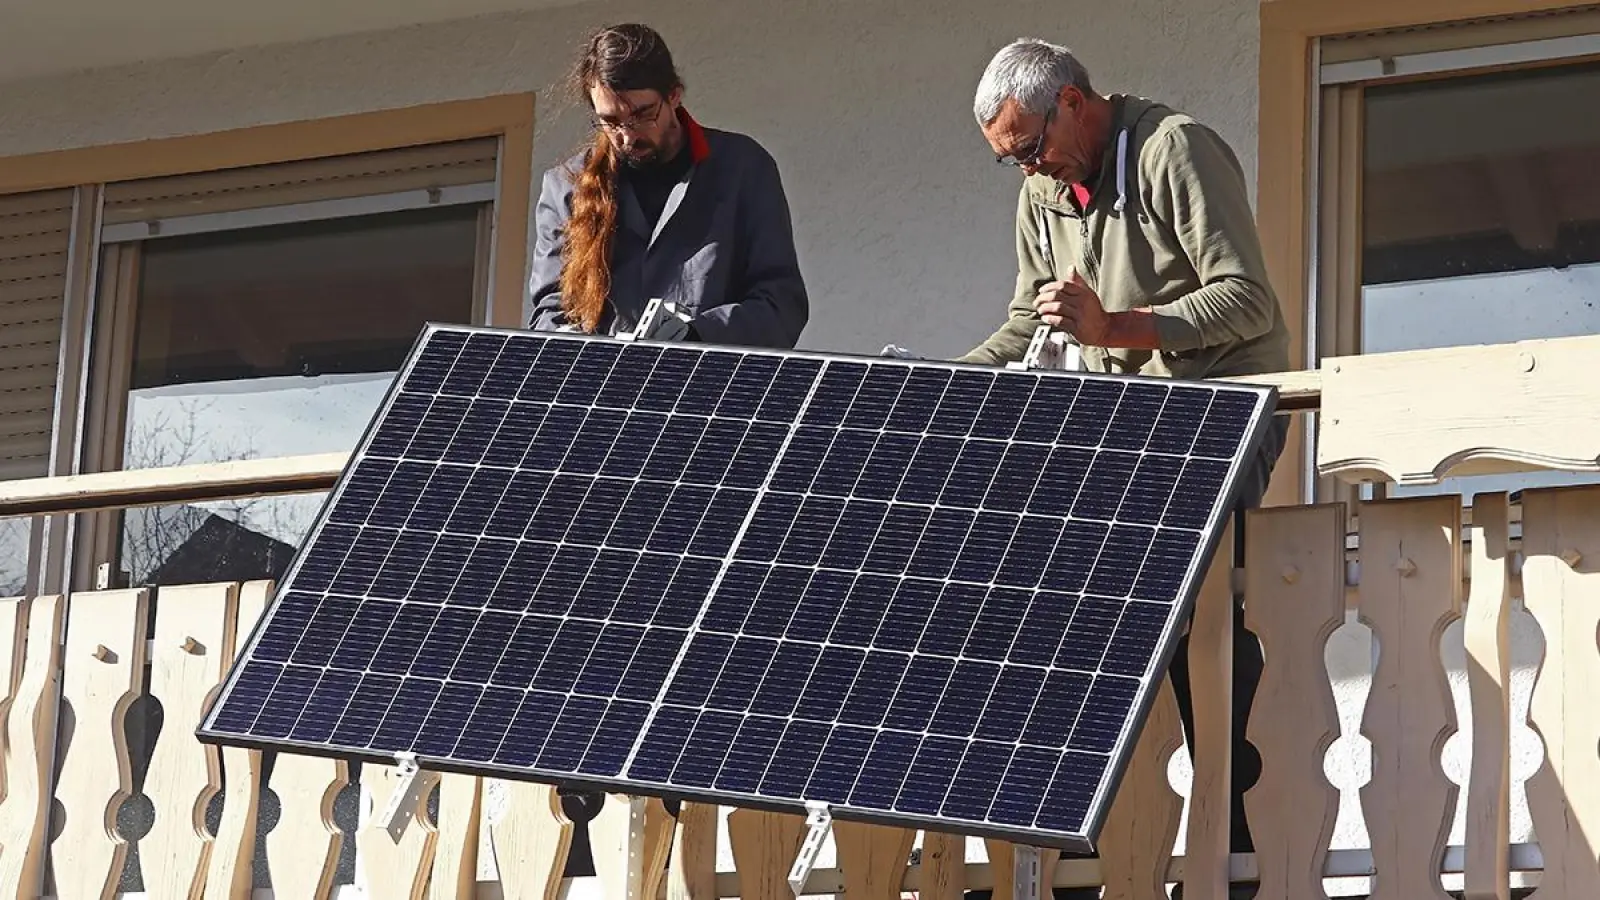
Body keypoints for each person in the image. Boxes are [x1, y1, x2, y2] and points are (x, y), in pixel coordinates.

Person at [963, 38, 1293, 900]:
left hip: (1220, 408)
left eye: (1032, 147)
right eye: (1012, 160)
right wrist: (952, 382)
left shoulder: (1173, 149)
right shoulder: (1042, 190)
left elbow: (1247, 297)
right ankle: (1086, 836)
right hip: (1126, 428)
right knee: (1066, 607)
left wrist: (1115, 329)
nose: (1028, 170)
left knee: (1191, 622)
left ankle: (1232, 832)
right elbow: (1027, 322)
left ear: (1074, 101)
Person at [527, 23, 809, 347]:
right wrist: (581, 351)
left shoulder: (743, 169)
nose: (628, 136)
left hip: (714, 389)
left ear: (674, 95)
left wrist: (698, 335)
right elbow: (549, 316)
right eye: (611, 121)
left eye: (643, 113)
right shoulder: (565, 188)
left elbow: (780, 306)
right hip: (601, 392)